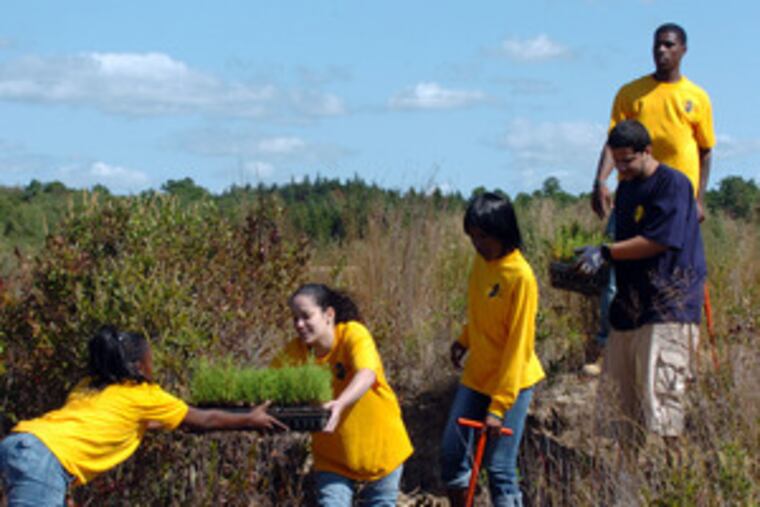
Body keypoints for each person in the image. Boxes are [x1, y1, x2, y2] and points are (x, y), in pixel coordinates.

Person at [0, 325, 286, 506]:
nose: (153, 366)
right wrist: (250, 418)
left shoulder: (88, 387)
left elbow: (81, 433)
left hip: (19, 443)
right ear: (138, 367)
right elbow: (203, 420)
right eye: (151, 361)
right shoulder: (144, 396)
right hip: (45, 459)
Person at [584, 22, 716, 376]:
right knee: (617, 265)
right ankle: (608, 342)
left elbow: (705, 151)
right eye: (657, 45)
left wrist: (699, 198)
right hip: (634, 194)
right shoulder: (632, 92)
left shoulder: (697, 97)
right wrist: (601, 181)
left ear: (683, 50)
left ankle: (680, 351)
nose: (662, 51)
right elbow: (615, 142)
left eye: (669, 45)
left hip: (677, 201)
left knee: (679, 270)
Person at [577, 120, 706, 458]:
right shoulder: (627, 188)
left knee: (664, 408)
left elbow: (660, 240)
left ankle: (673, 479)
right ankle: (626, 483)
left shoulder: (673, 185)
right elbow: (624, 245)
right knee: (623, 410)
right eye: (616, 161)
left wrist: (606, 252)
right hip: (631, 308)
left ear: (647, 152)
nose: (621, 168)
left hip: (668, 307)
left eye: (627, 160)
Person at [440, 192, 545, 507]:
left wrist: (498, 408)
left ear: (503, 232)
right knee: (452, 454)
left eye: (483, 237)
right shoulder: (481, 263)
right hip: (478, 374)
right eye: (472, 237)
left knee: (499, 469)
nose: (477, 244)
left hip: (511, 383)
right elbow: (478, 310)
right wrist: (464, 340)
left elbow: (518, 345)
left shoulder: (520, 277)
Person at [274, 283, 413, 507]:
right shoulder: (295, 352)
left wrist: (340, 403)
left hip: (381, 452)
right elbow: (269, 384)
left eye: (306, 316)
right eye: (295, 318)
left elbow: (366, 374)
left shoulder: (353, 334)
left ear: (329, 314)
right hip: (333, 460)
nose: (299, 325)